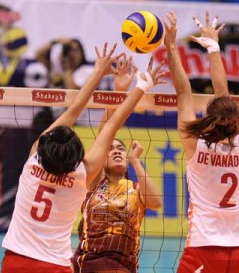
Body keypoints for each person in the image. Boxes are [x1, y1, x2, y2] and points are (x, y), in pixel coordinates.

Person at [1, 43, 165, 273]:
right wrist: (142, 85)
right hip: (55, 265)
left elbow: (74, 110)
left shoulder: (33, 160)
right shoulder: (82, 174)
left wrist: (99, 71)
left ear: (45, 145)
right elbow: (112, 125)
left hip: (16, 260)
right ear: (76, 154)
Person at [164, 11, 239, 273]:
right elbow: (223, 96)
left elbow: (183, 91)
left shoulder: (195, 143)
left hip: (204, 246)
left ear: (211, 119)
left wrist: (170, 46)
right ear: (235, 121)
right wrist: (213, 47)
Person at [72, 54, 163, 273]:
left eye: (121, 149)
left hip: (123, 267)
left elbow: (156, 203)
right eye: (111, 149)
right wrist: (118, 91)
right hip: (88, 264)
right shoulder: (93, 183)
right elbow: (107, 130)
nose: (116, 151)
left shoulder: (135, 189)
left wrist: (136, 161)